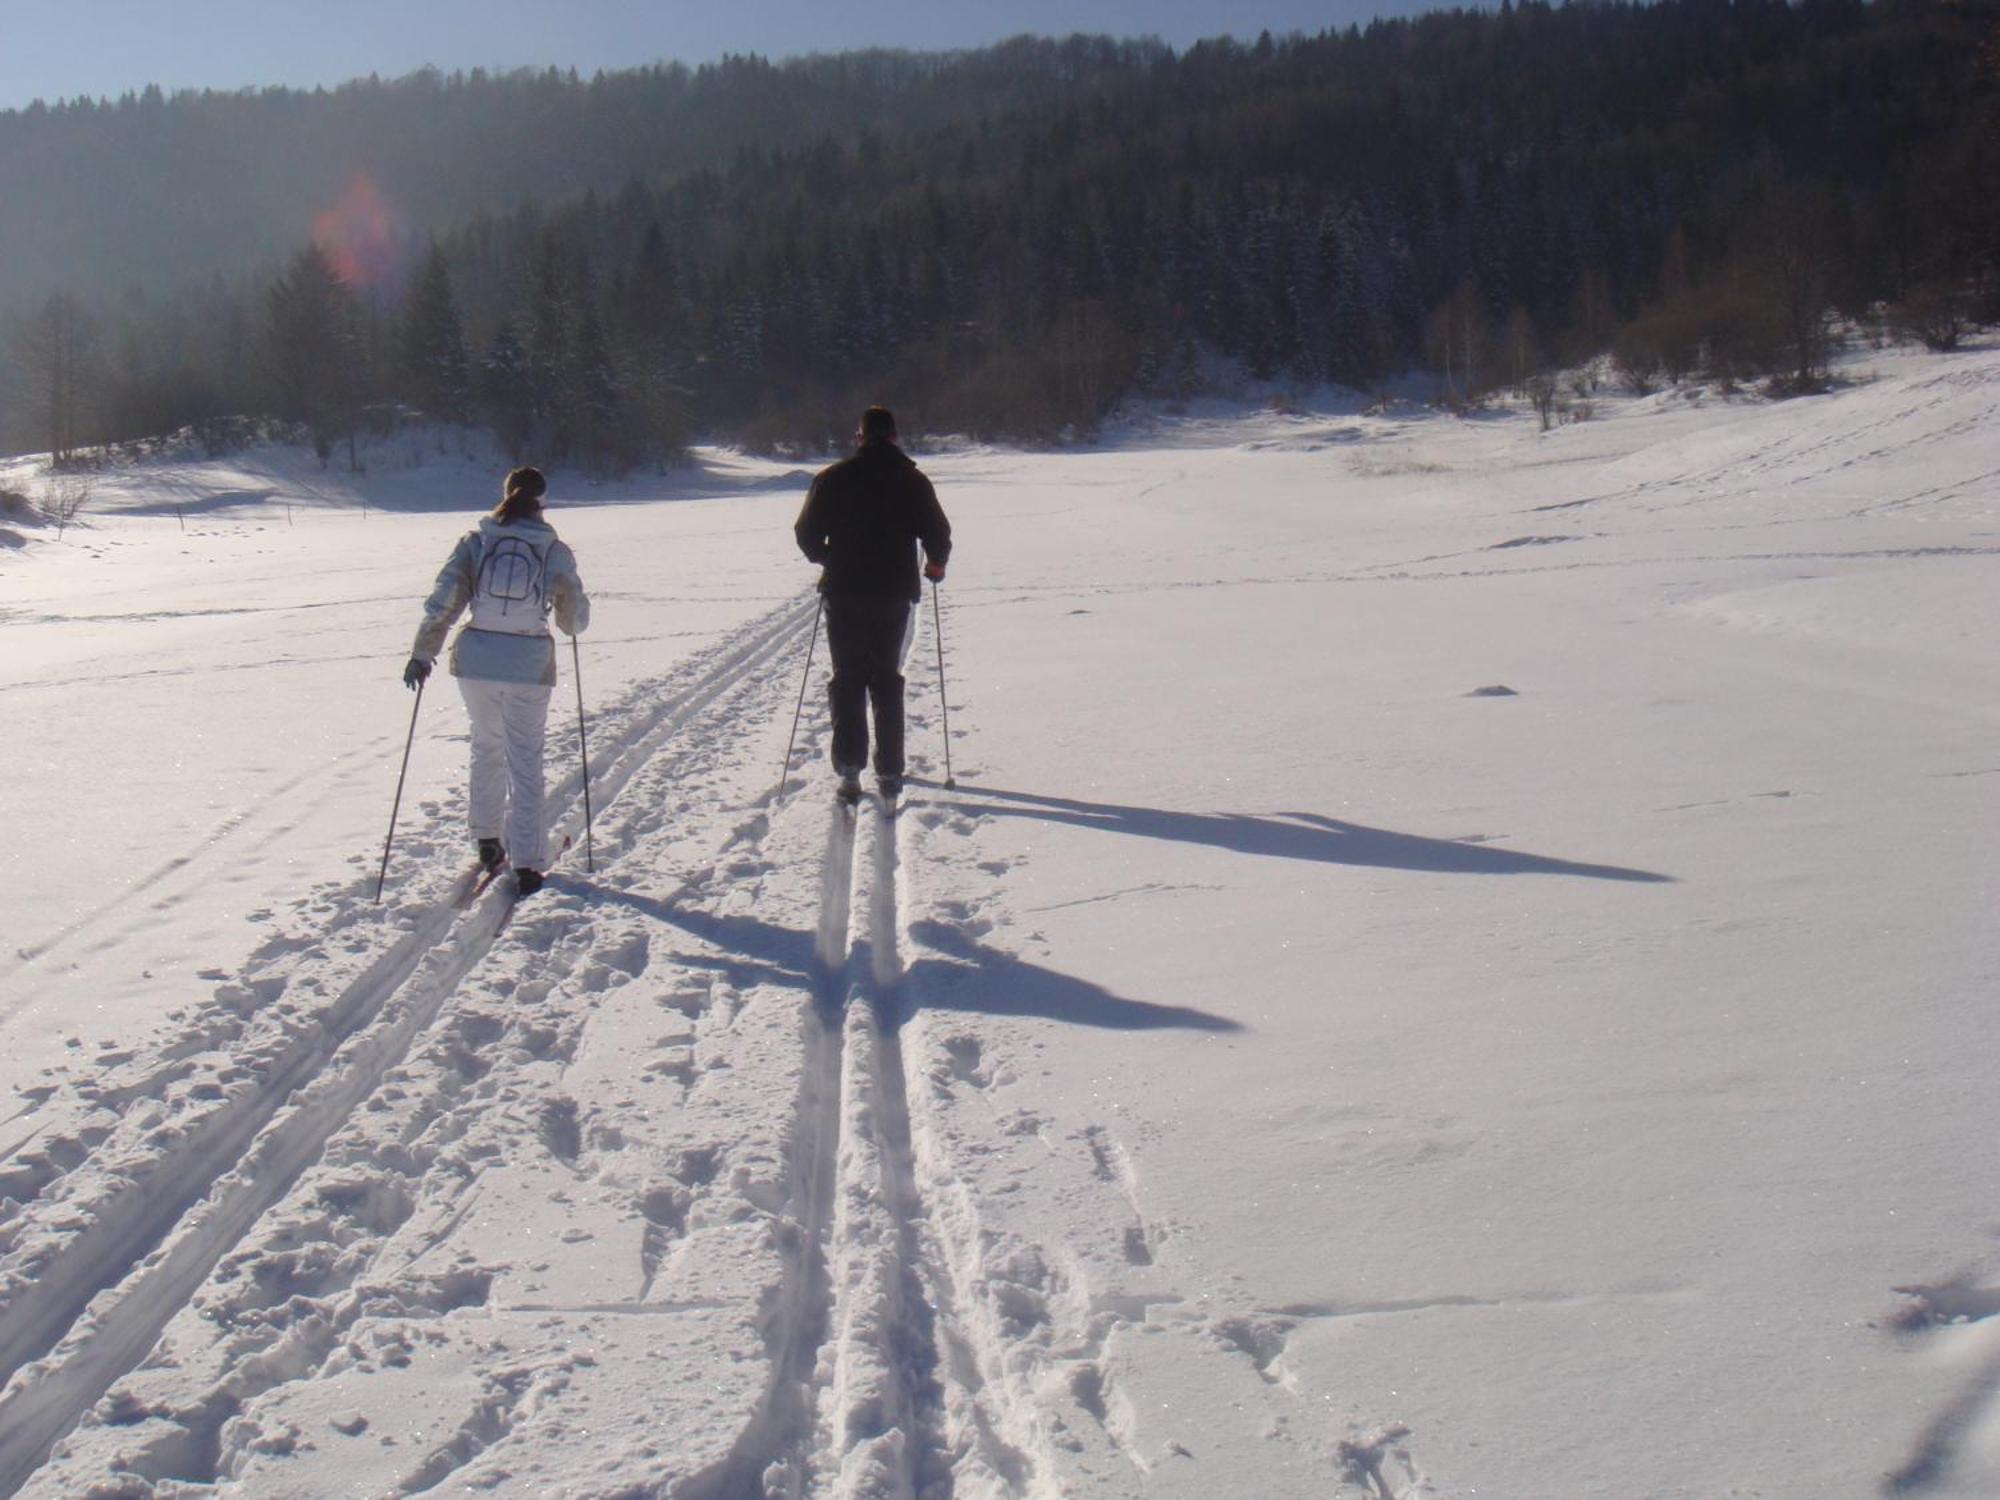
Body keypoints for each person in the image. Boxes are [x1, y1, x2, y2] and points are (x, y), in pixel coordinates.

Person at [403, 466, 590, 897]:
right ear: (544, 502)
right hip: (528, 665)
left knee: (486, 747)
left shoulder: (477, 542)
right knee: (525, 760)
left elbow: (444, 601)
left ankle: (487, 839)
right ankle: (527, 862)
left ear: (505, 494)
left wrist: (422, 654)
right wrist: (571, 617)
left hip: (475, 664)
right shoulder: (553, 549)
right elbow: (573, 619)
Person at [794, 405, 952, 801]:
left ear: (859, 437)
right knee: (885, 677)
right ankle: (891, 772)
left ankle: (849, 770)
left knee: (847, 677)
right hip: (893, 592)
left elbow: (806, 532)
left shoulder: (832, 478)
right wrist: (935, 564)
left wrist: (826, 557)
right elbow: (938, 531)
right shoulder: (911, 480)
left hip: (844, 590)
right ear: (894, 437)